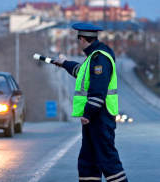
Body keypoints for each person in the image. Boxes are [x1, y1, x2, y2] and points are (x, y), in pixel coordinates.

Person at [54, 23, 128, 182]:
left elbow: (98, 89)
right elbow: (82, 73)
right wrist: (64, 63)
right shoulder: (94, 56)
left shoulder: (99, 57)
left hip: (100, 116)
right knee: (88, 160)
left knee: (108, 160)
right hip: (96, 117)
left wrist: (88, 113)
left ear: (81, 39)